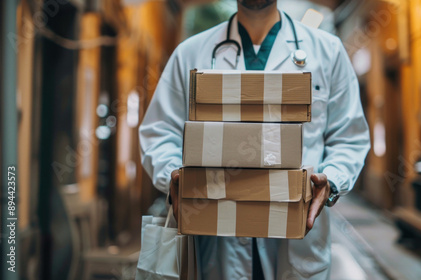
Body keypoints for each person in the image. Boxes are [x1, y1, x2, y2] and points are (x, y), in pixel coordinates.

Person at [139, 0, 370, 279]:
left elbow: (350, 136)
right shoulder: (190, 53)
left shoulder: (328, 51)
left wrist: (331, 180)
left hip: (297, 240)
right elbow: (159, 131)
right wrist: (173, 174)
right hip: (216, 236)